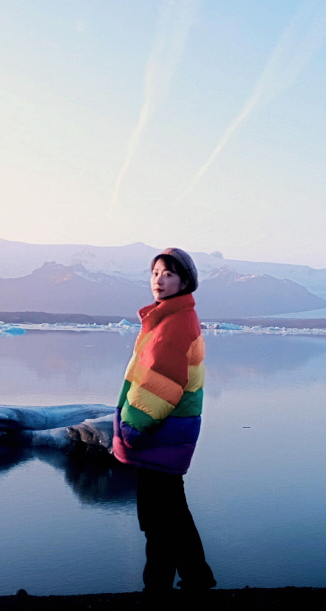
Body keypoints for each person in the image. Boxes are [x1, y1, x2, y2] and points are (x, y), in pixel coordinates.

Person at [112, 246, 216, 593]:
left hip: (159, 431)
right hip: (170, 431)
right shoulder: (170, 316)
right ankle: (196, 577)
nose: (159, 280)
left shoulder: (174, 323)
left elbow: (163, 384)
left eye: (169, 274)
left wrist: (132, 427)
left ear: (185, 280)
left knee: (157, 518)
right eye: (156, 273)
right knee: (173, 510)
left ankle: (156, 589)